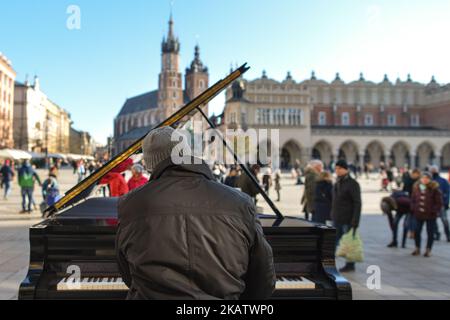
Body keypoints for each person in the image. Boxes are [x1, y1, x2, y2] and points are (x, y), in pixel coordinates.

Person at [116, 127, 275, 300]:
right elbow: (264, 280)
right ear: (187, 153)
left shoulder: (130, 204)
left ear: (149, 164)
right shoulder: (240, 202)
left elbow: (127, 274)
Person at [331, 160, 362, 273]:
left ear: (346, 169)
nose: (337, 170)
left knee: (348, 243)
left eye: (339, 168)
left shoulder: (353, 184)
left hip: (347, 219)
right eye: (336, 168)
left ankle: (350, 264)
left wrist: (355, 221)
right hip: (337, 218)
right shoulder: (337, 182)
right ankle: (329, 263)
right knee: (334, 242)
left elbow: (357, 203)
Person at [410, 172, 443, 257]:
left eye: (427, 178)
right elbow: (413, 199)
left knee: (430, 233)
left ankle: (428, 250)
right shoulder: (416, 187)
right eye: (423, 178)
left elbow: (439, 203)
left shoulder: (434, 189)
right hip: (418, 214)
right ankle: (417, 248)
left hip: (430, 215)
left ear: (430, 179)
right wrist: (413, 208)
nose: (424, 180)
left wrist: (434, 210)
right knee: (417, 231)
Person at [429, 165, 450, 242]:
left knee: (444, 220)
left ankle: (448, 235)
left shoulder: (443, 181)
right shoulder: (429, 181)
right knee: (433, 221)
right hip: (432, 205)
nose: (433, 171)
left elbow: (447, 192)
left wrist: (446, 202)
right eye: (432, 170)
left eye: (435, 170)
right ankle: (437, 234)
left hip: (441, 204)